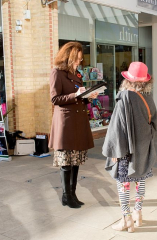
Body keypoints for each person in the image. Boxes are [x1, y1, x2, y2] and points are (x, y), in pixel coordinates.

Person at [103, 62, 157, 233]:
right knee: (140, 178)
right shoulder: (148, 97)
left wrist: (113, 150)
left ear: (128, 80)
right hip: (143, 146)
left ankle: (126, 219)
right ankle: (138, 214)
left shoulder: (124, 96)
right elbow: (153, 124)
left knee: (123, 183)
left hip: (125, 148)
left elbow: (117, 126)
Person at [49, 41, 98, 209]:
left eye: (80, 59)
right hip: (66, 122)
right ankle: (66, 196)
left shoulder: (77, 74)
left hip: (78, 121)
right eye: (77, 59)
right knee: (66, 162)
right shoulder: (57, 73)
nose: (79, 62)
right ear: (68, 57)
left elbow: (79, 97)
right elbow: (55, 99)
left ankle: (73, 194)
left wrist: (87, 96)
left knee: (76, 160)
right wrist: (75, 94)